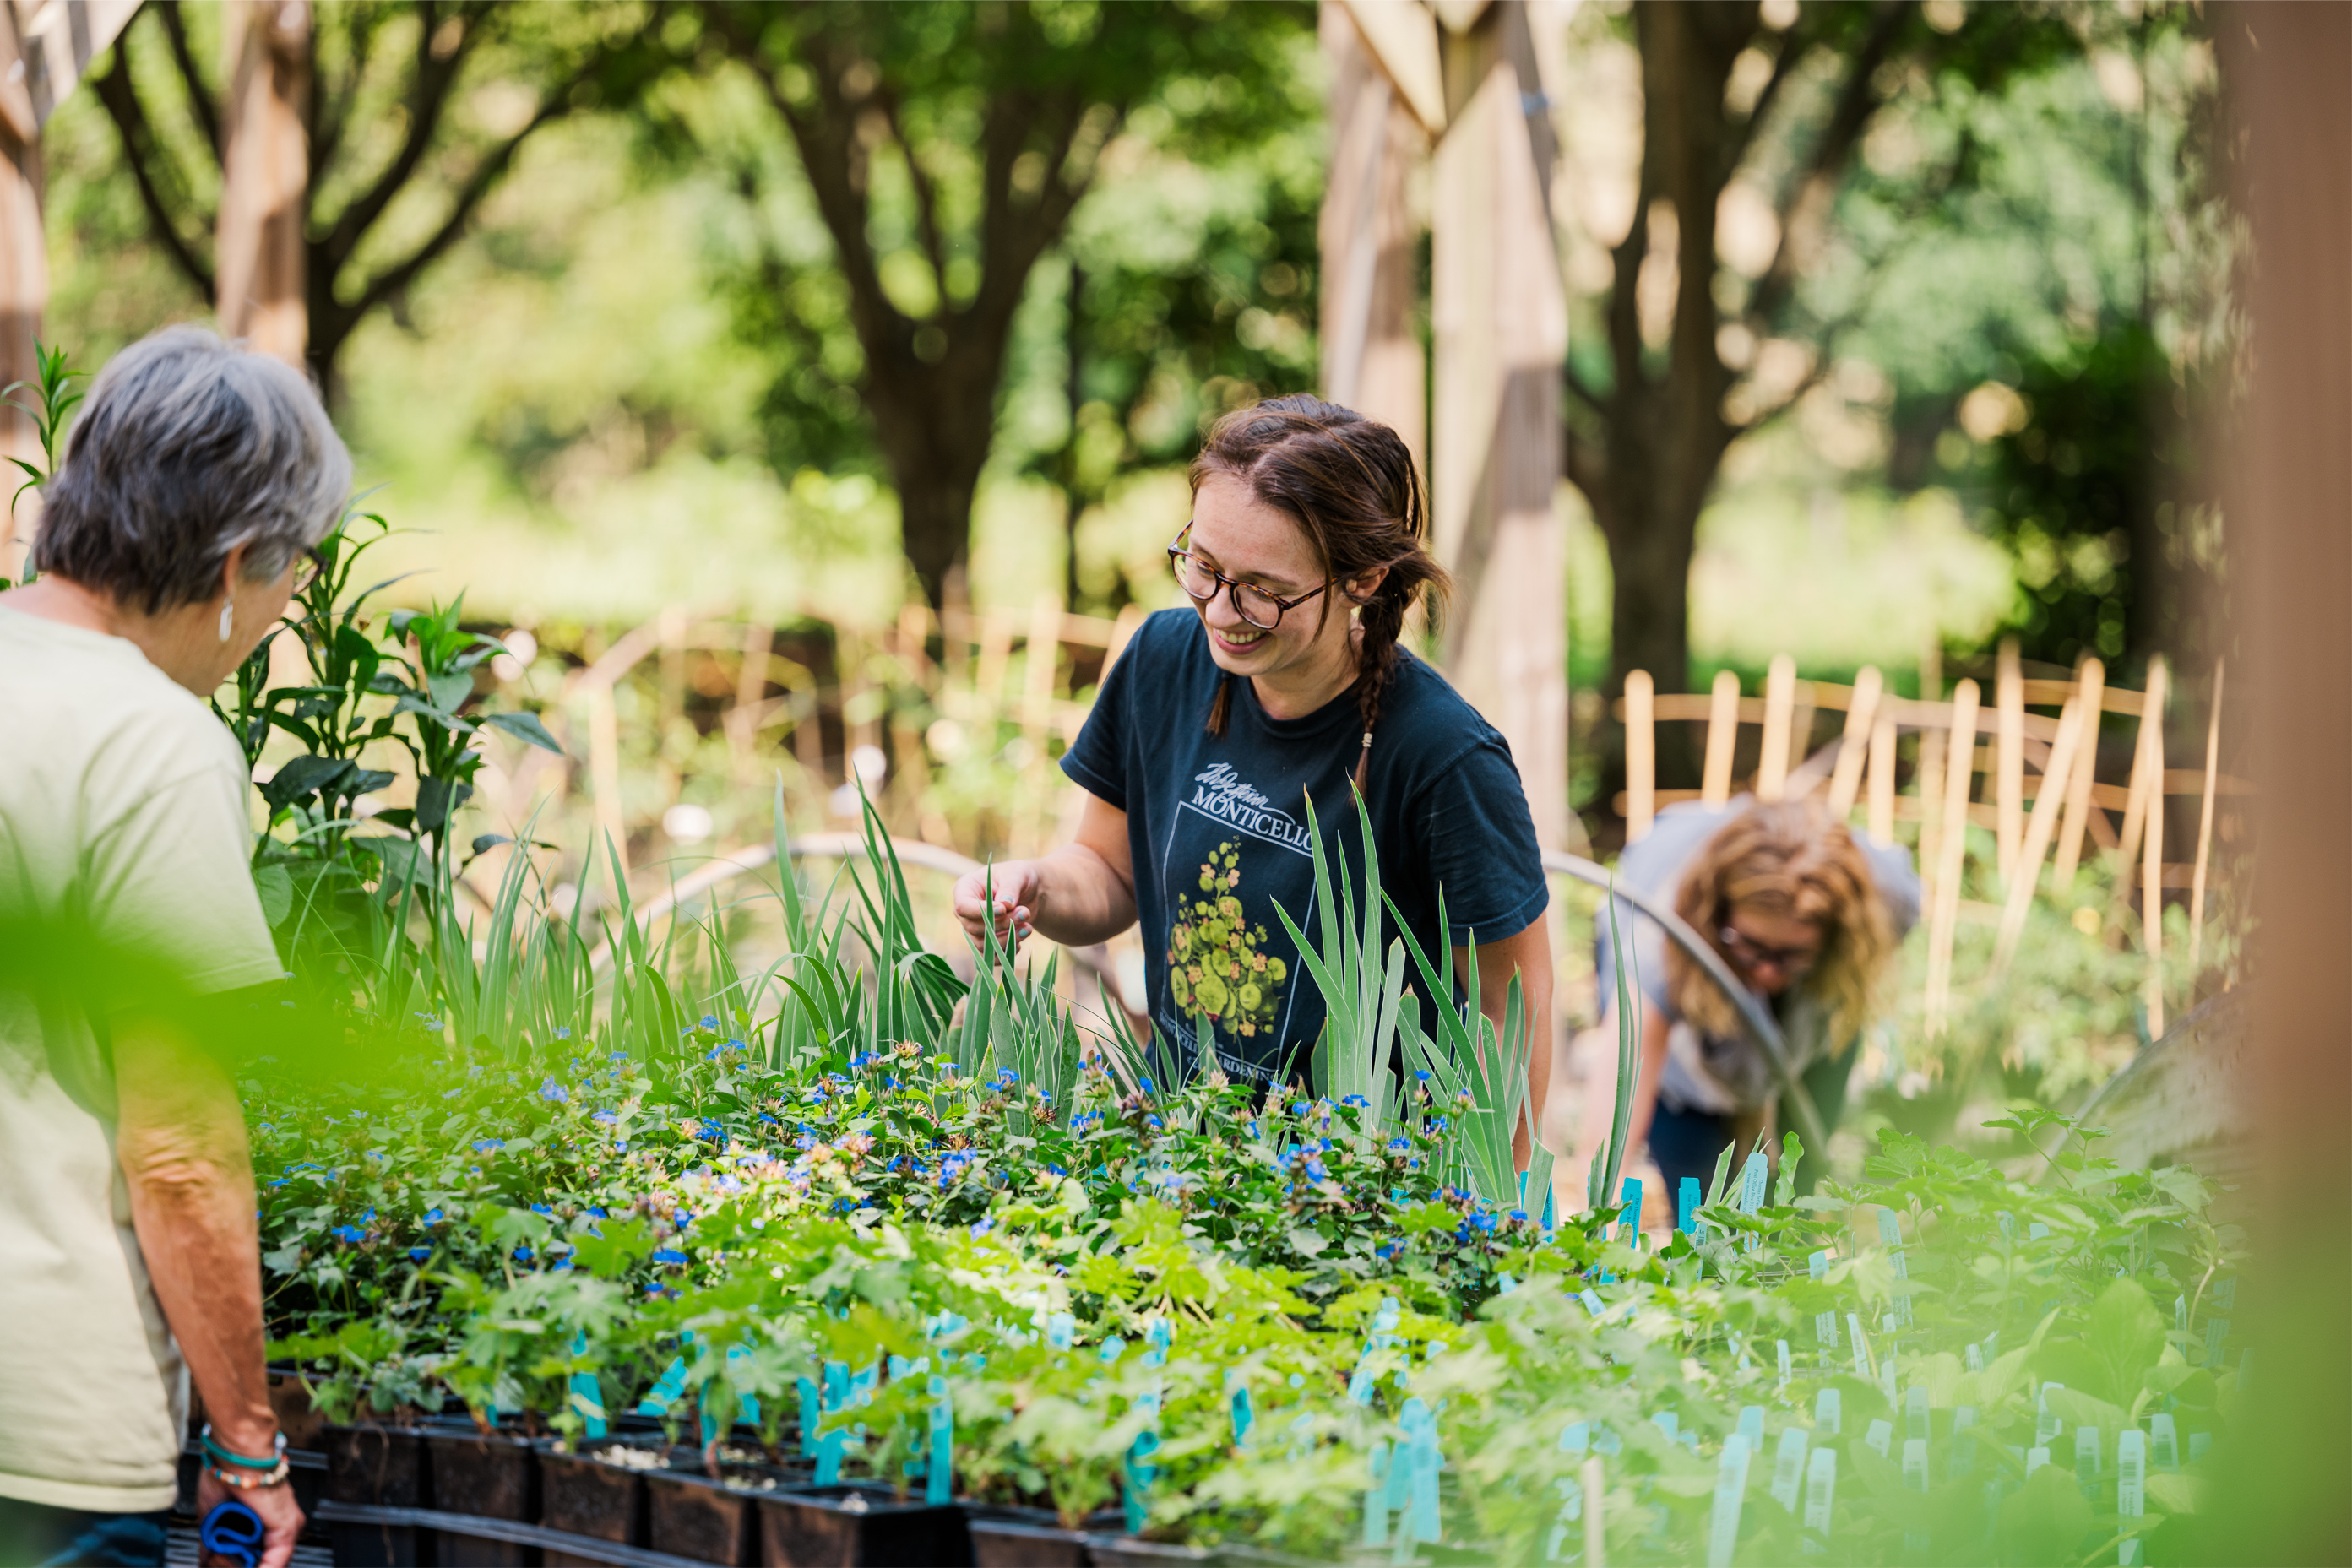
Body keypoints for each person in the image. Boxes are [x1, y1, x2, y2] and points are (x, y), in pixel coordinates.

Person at [952, 394, 1553, 1142]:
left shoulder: (1444, 756)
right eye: (1202, 566)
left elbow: (1509, 1009)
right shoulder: (1161, 664)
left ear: (1362, 578)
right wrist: (1035, 888)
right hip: (1173, 1148)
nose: (1220, 611)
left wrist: (1491, 1209)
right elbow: (1109, 875)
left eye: (1263, 590)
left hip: (1353, 1194)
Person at [0, 327, 350, 1568]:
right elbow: (182, 1146)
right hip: (40, 1432)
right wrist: (251, 1448)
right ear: (236, 559)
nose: (262, 631)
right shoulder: (146, 740)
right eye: (280, 595)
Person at [1558, 797, 1920, 1206]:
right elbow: (1615, 1111)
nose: (1767, 972)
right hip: (1689, 1061)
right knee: (1702, 1214)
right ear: (1717, 916)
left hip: (1807, 1023)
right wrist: (1599, 1221)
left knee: (1794, 1197)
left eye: (1790, 953)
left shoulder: (1886, 898)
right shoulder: (1663, 932)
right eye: (1751, 945)